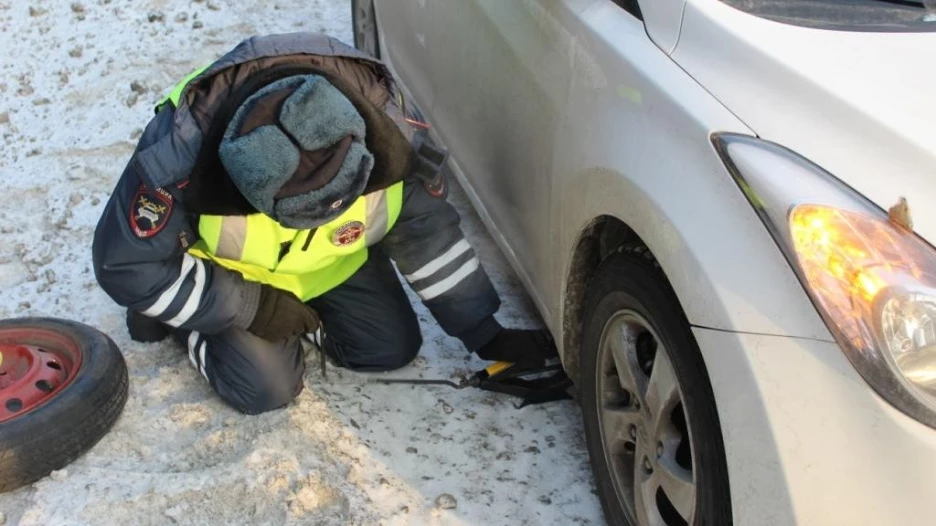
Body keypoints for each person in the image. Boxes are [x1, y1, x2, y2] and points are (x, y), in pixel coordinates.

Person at [92, 32, 556, 415]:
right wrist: (253, 307)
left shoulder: (392, 132)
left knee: (390, 349)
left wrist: (483, 330)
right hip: (231, 277)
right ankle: (188, 325)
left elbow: (427, 233)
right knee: (265, 391)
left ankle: (304, 316)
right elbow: (125, 264)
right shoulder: (180, 155)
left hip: (336, 260)